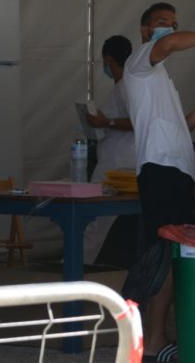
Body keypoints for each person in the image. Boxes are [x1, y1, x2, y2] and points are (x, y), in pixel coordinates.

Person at [123, 2, 195, 363]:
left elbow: (180, 128)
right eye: (162, 23)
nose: (169, 29)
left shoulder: (160, 78)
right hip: (161, 172)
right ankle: (154, 341)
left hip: (177, 173)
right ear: (145, 31)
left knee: (171, 256)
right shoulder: (141, 62)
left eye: (174, 24)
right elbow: (169, 45)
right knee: (164, 257)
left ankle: (157, 337)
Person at [81, 35, 136, 265]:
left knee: (94, 220)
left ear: (108, 59)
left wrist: (107, 123)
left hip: (115, 166)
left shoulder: (126, 87)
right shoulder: (123, 87)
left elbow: (137, 121)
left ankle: (77, 263)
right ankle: (81, 262)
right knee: (98, 222)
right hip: (118, 160)